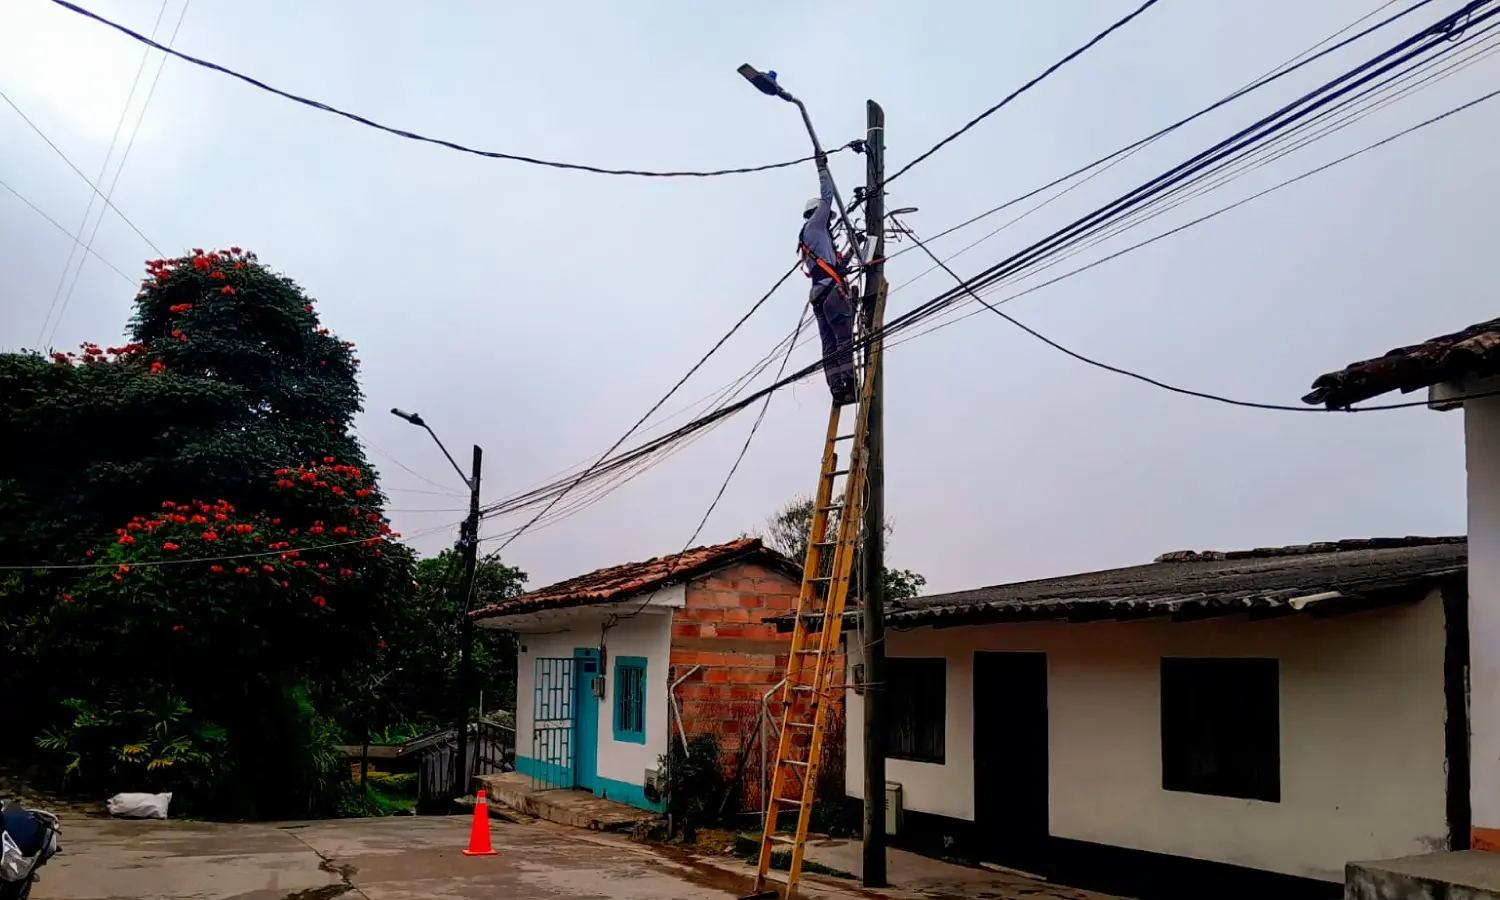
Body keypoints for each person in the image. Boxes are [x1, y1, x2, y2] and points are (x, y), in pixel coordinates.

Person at [799, 150, 858, 406]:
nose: (830, 221)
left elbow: (833, 268)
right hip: (830, 292)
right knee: (843, 338)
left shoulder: (815, 240)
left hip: (820, 292)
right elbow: (828, 197)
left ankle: (837, 387)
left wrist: (851, 254)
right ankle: (847, 381)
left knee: (830, 343)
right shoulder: (815, 224)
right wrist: (822, 168)